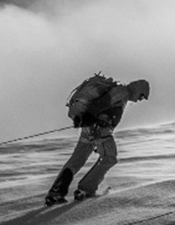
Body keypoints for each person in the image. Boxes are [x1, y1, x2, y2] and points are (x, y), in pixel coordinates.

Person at [44, 76, 151, 204]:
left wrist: (86, 118)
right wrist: (91, 117)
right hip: (100, 130)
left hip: (89, 128)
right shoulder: (122, 92)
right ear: (138, 89)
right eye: (142, 96)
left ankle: (56, 193)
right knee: (109, 158)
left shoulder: (122, 93)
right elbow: (102, 103)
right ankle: (85, 189)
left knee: (77, 160)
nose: (140, 99)